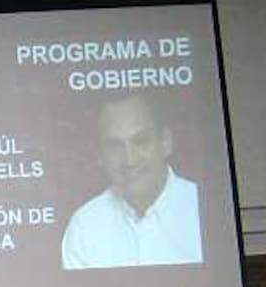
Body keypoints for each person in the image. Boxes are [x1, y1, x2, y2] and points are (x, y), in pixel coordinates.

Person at [61, 94, 203, 270]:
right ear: (100, 156)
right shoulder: (85, 225)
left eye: (141, 141)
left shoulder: (204, 210)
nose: (129, 160)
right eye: (114, 146)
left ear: (165, 142)